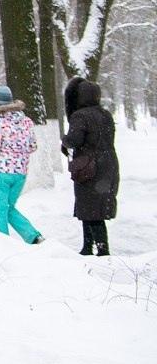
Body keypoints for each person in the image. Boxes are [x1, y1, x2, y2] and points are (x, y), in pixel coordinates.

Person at [0, 86, 44, 245]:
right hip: (20, 173)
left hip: (1, 173)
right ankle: (33, 236)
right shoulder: (26, 121)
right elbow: (32, 146)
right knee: (8, 208)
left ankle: (2, 246)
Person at [61, 77, 119, 256]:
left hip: (89, 167)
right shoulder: (105, 114)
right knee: (94, 207)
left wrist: (64, 139)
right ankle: (88, 247)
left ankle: (102, 249)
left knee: (90, 209)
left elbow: (75, 140)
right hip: (108, 164)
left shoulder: (80, 116)